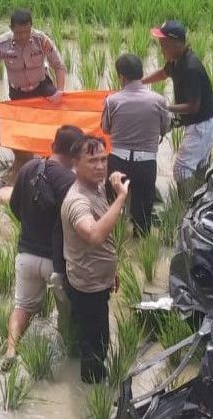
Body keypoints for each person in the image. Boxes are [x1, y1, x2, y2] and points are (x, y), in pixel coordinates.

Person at [0, 125, 84, 371]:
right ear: (76, 154)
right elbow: (76, 224)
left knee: (22, 306)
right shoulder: (70, 181)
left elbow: (15, 206)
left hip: (25, 255)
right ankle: (67, 364)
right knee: (68, 315)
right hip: (56, 262)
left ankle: (12, 348)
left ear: (52, 146)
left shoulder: (28, 169)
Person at [61, 136, 129, 383]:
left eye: (103, 159)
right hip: (87, 285)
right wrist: (121, 198)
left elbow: (103, 240)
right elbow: (94, 235)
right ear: (75, 164)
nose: (100, 166)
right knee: (97, 343)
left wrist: (111, 271)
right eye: (92, 161)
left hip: (97, 278)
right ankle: (92, 392)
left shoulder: (97, 187)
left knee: (90, 335)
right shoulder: (77, 200)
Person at [0, 8, 67, 182]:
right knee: (20, 130)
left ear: (31, 27)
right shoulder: (1, 44)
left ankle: (51, 161)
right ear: (11, 28)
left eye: (27, 31)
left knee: (53, 125)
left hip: (43, 87)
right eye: (19, 32)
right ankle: (22, 162)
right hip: (18, 92)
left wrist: (60, 91)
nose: (23, 36)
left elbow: (59, 66)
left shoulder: (41, 40)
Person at [143, 20, 213, 198]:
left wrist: (164, 107)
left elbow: (192, 107)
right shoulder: (176, 60)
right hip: (206, 120)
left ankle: (187, 208)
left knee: (181, 169)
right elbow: (164, 73)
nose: (161, 47)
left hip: (204, 123)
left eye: (163, 43)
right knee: (200, 162)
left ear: (177, 43)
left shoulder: (190, 68)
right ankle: (202, 197)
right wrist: (140, 83)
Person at [102, 54, 170, 236]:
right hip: (146, 163)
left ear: (121, 77)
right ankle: (140, 246)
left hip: (118, 162)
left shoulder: (112, 101)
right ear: (141, 74)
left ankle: (115, 241)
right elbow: (165, 127)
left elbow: (105, 128)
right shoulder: (159, 100)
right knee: (143, 212)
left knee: (114, 205)